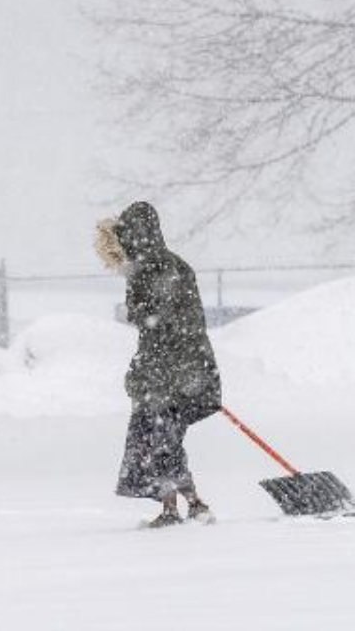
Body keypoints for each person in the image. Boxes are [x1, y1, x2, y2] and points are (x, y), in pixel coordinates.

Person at [95, 201, 222, 528]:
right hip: (186, 366)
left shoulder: (151, 270)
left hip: (168, 373)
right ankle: (189, 506)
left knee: (159, 439)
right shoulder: (175, 264)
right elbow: (180, 322)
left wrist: (151, 369)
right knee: (164, 440)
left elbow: (153, 321)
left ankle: (185, 507)